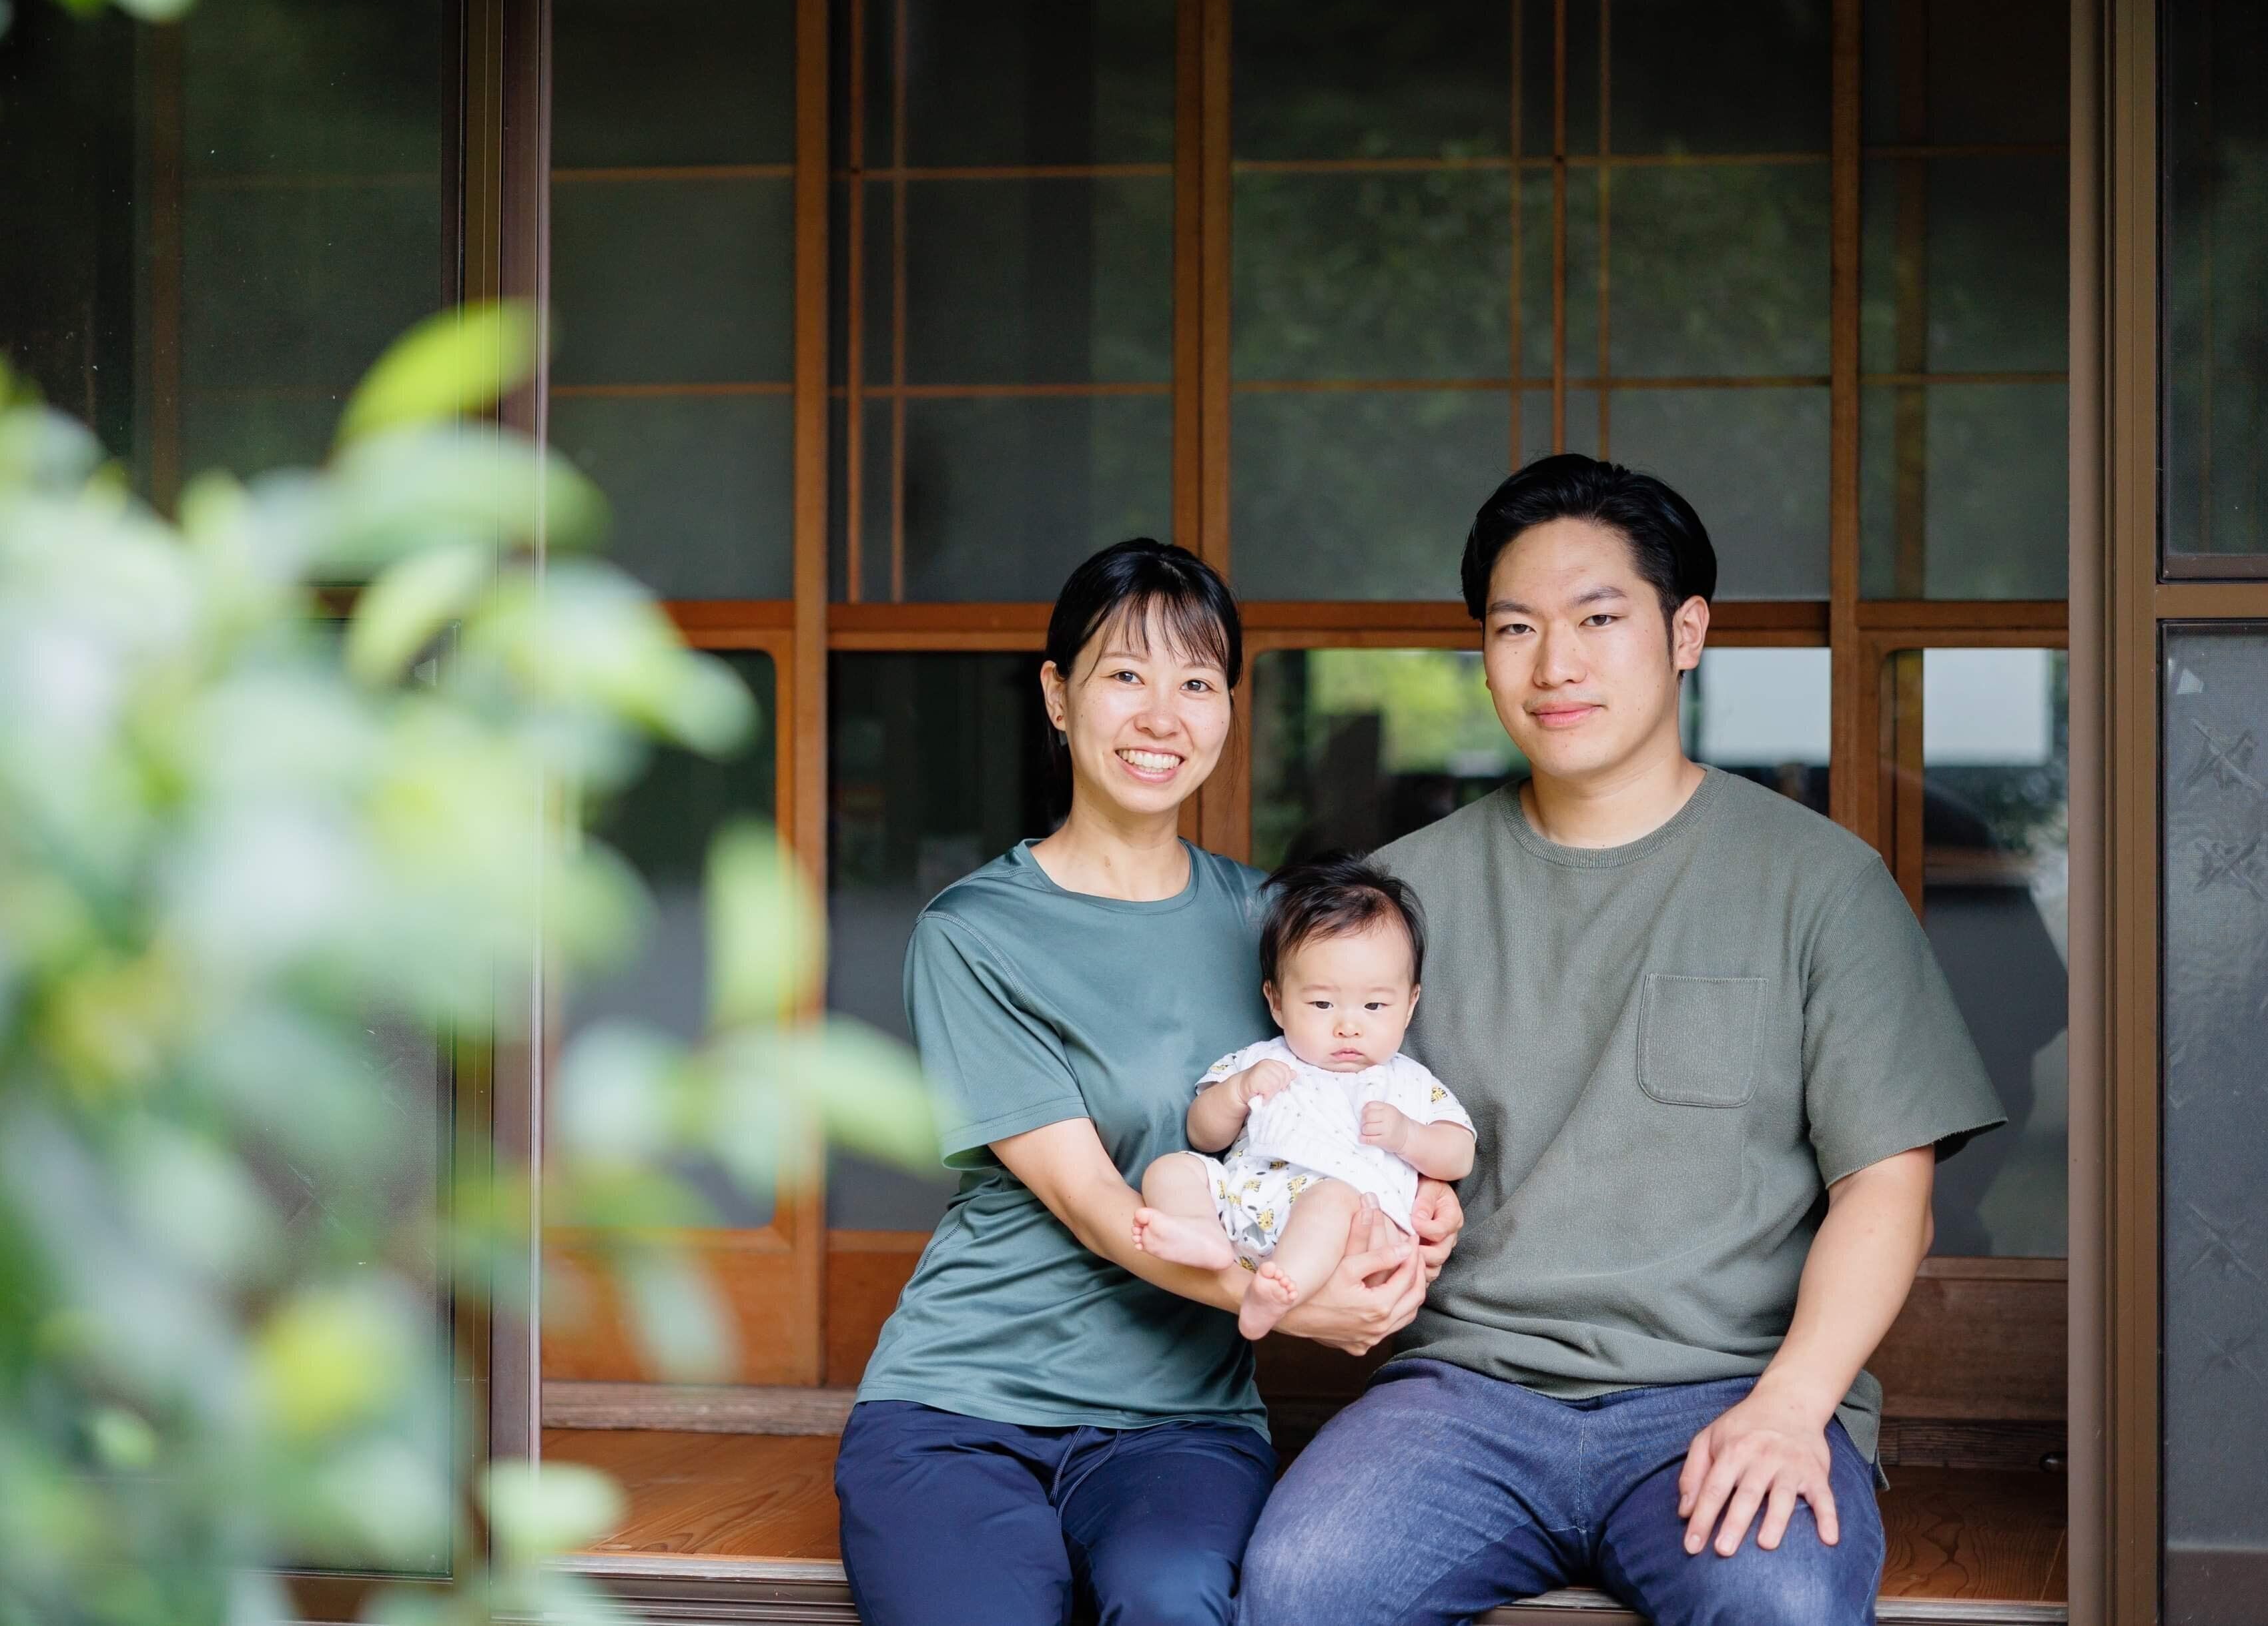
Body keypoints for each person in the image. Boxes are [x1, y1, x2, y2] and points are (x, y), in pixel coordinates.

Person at [1239, 456, 2006, 1626]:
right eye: (1516, 627)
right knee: (1302, 1583)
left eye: (1599, 618)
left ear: (1685, 631)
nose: (1555, 664)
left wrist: (1793, 1402)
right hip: (1467, 1392)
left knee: (1782, 1603)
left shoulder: (1817, 881)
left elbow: (1888, 1185)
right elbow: (1305, 1128)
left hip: (1729, 1387)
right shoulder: (1401, 899)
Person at [834, 539, 1463, 1626]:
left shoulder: (1275, 927)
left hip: (1180, 1417)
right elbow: (1092, 1202)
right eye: (1126, 673)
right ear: (1058, 695)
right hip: (962, 1402)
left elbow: (1350, 1115)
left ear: (1228, 709)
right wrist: (1302, 1304)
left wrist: (1416, 1207)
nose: (1162, 715)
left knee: (1172, 1596)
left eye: (1197, 683)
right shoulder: (976, 932)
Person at [1134, 854, 1476, 1340]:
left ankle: (1277, 1290)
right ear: (1276, 1001)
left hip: (1340, 1238)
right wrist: (1237, 1092)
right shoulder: (1260, 1060)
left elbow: (1459, 1154)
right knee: (1171, 1169)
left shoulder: (1410, 1082)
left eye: (1375, 1004)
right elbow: (1202, 1133)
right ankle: (1200, 1233)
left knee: (1334, 1199)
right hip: (1244, 1209)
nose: (1348, 1025)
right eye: (1321, 1003)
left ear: (1409, 1004)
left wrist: (1408, 1136)